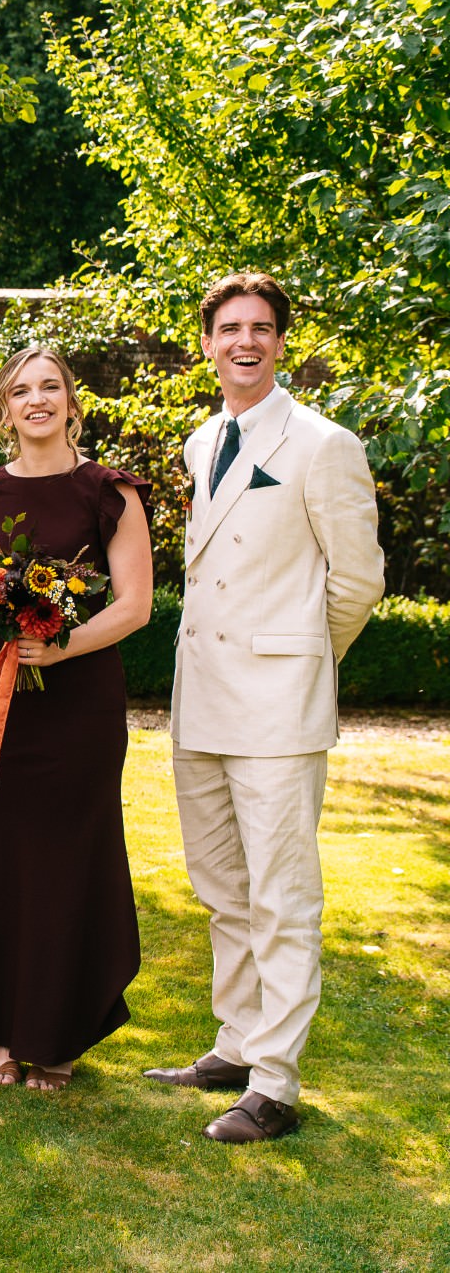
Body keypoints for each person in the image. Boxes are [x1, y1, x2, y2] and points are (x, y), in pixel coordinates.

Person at [143, 273, 383, 1142]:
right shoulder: (202, 439)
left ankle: (275, 1082)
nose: (246, 341)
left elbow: (358, 580)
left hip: (279, 705)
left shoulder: (323, 443)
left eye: (263, 329)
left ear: (282, 342)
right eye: (230, 328)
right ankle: (237, 1041)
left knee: (283, 894)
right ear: (206, 341)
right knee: (222, 887)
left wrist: (301, 658)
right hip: (200, 699)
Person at [0, 348, 151, 1091]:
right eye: (22, 390)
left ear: (71, 401)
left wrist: (60, 646)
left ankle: (56, 1035)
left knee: (65, 862)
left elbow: (134, 604)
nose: (37, 400)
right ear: (5, 409)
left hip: (79, 707)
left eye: (50, 386)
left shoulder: (108, 490)